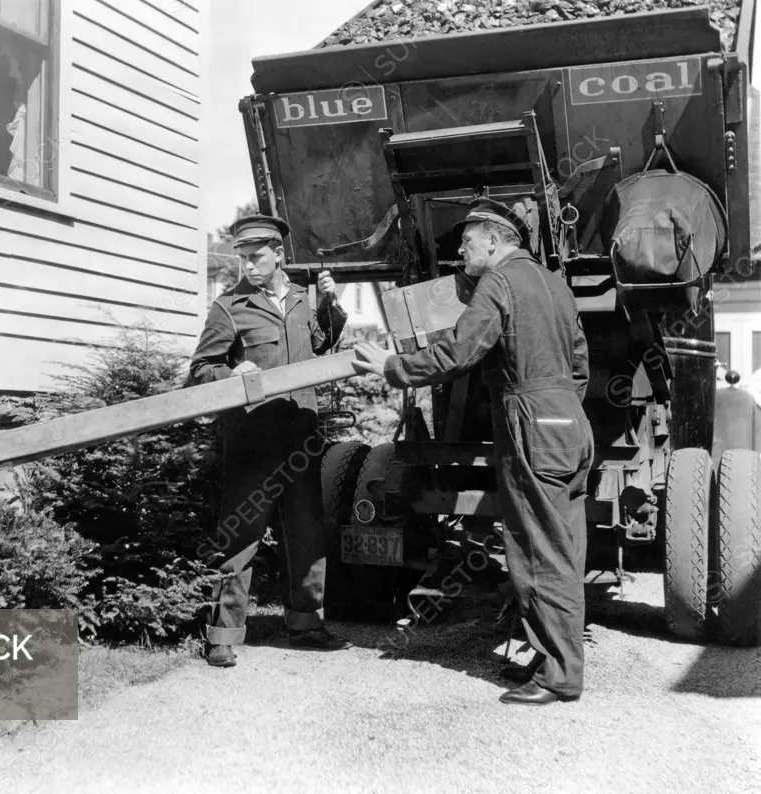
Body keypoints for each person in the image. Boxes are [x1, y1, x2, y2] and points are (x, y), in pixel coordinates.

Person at [353, 198, 593, 705]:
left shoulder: (499, 282)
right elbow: (579, 364)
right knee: (565, 546)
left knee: (535, 548)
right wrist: (557, 407)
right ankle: (557, 657)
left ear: (493, 239)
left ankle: (558, 676)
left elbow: (460, 352)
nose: (460, 252)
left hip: (531, 422)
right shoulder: (555, 283)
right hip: (571, 420)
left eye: (465, 242)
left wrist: (393, 367)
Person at [187, 214, 353, 668]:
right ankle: (223, 634)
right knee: (241, 535)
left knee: (306, 532)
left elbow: (323, 350)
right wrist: (230, 372)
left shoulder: (302, 302)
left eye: (257, 257)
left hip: (301, 437)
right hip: (253, 441)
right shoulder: (228, 307)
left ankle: (306, 623)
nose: (248, 266)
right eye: (242, 257)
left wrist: (330, 305)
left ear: (279, 254)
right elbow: (199, 372)